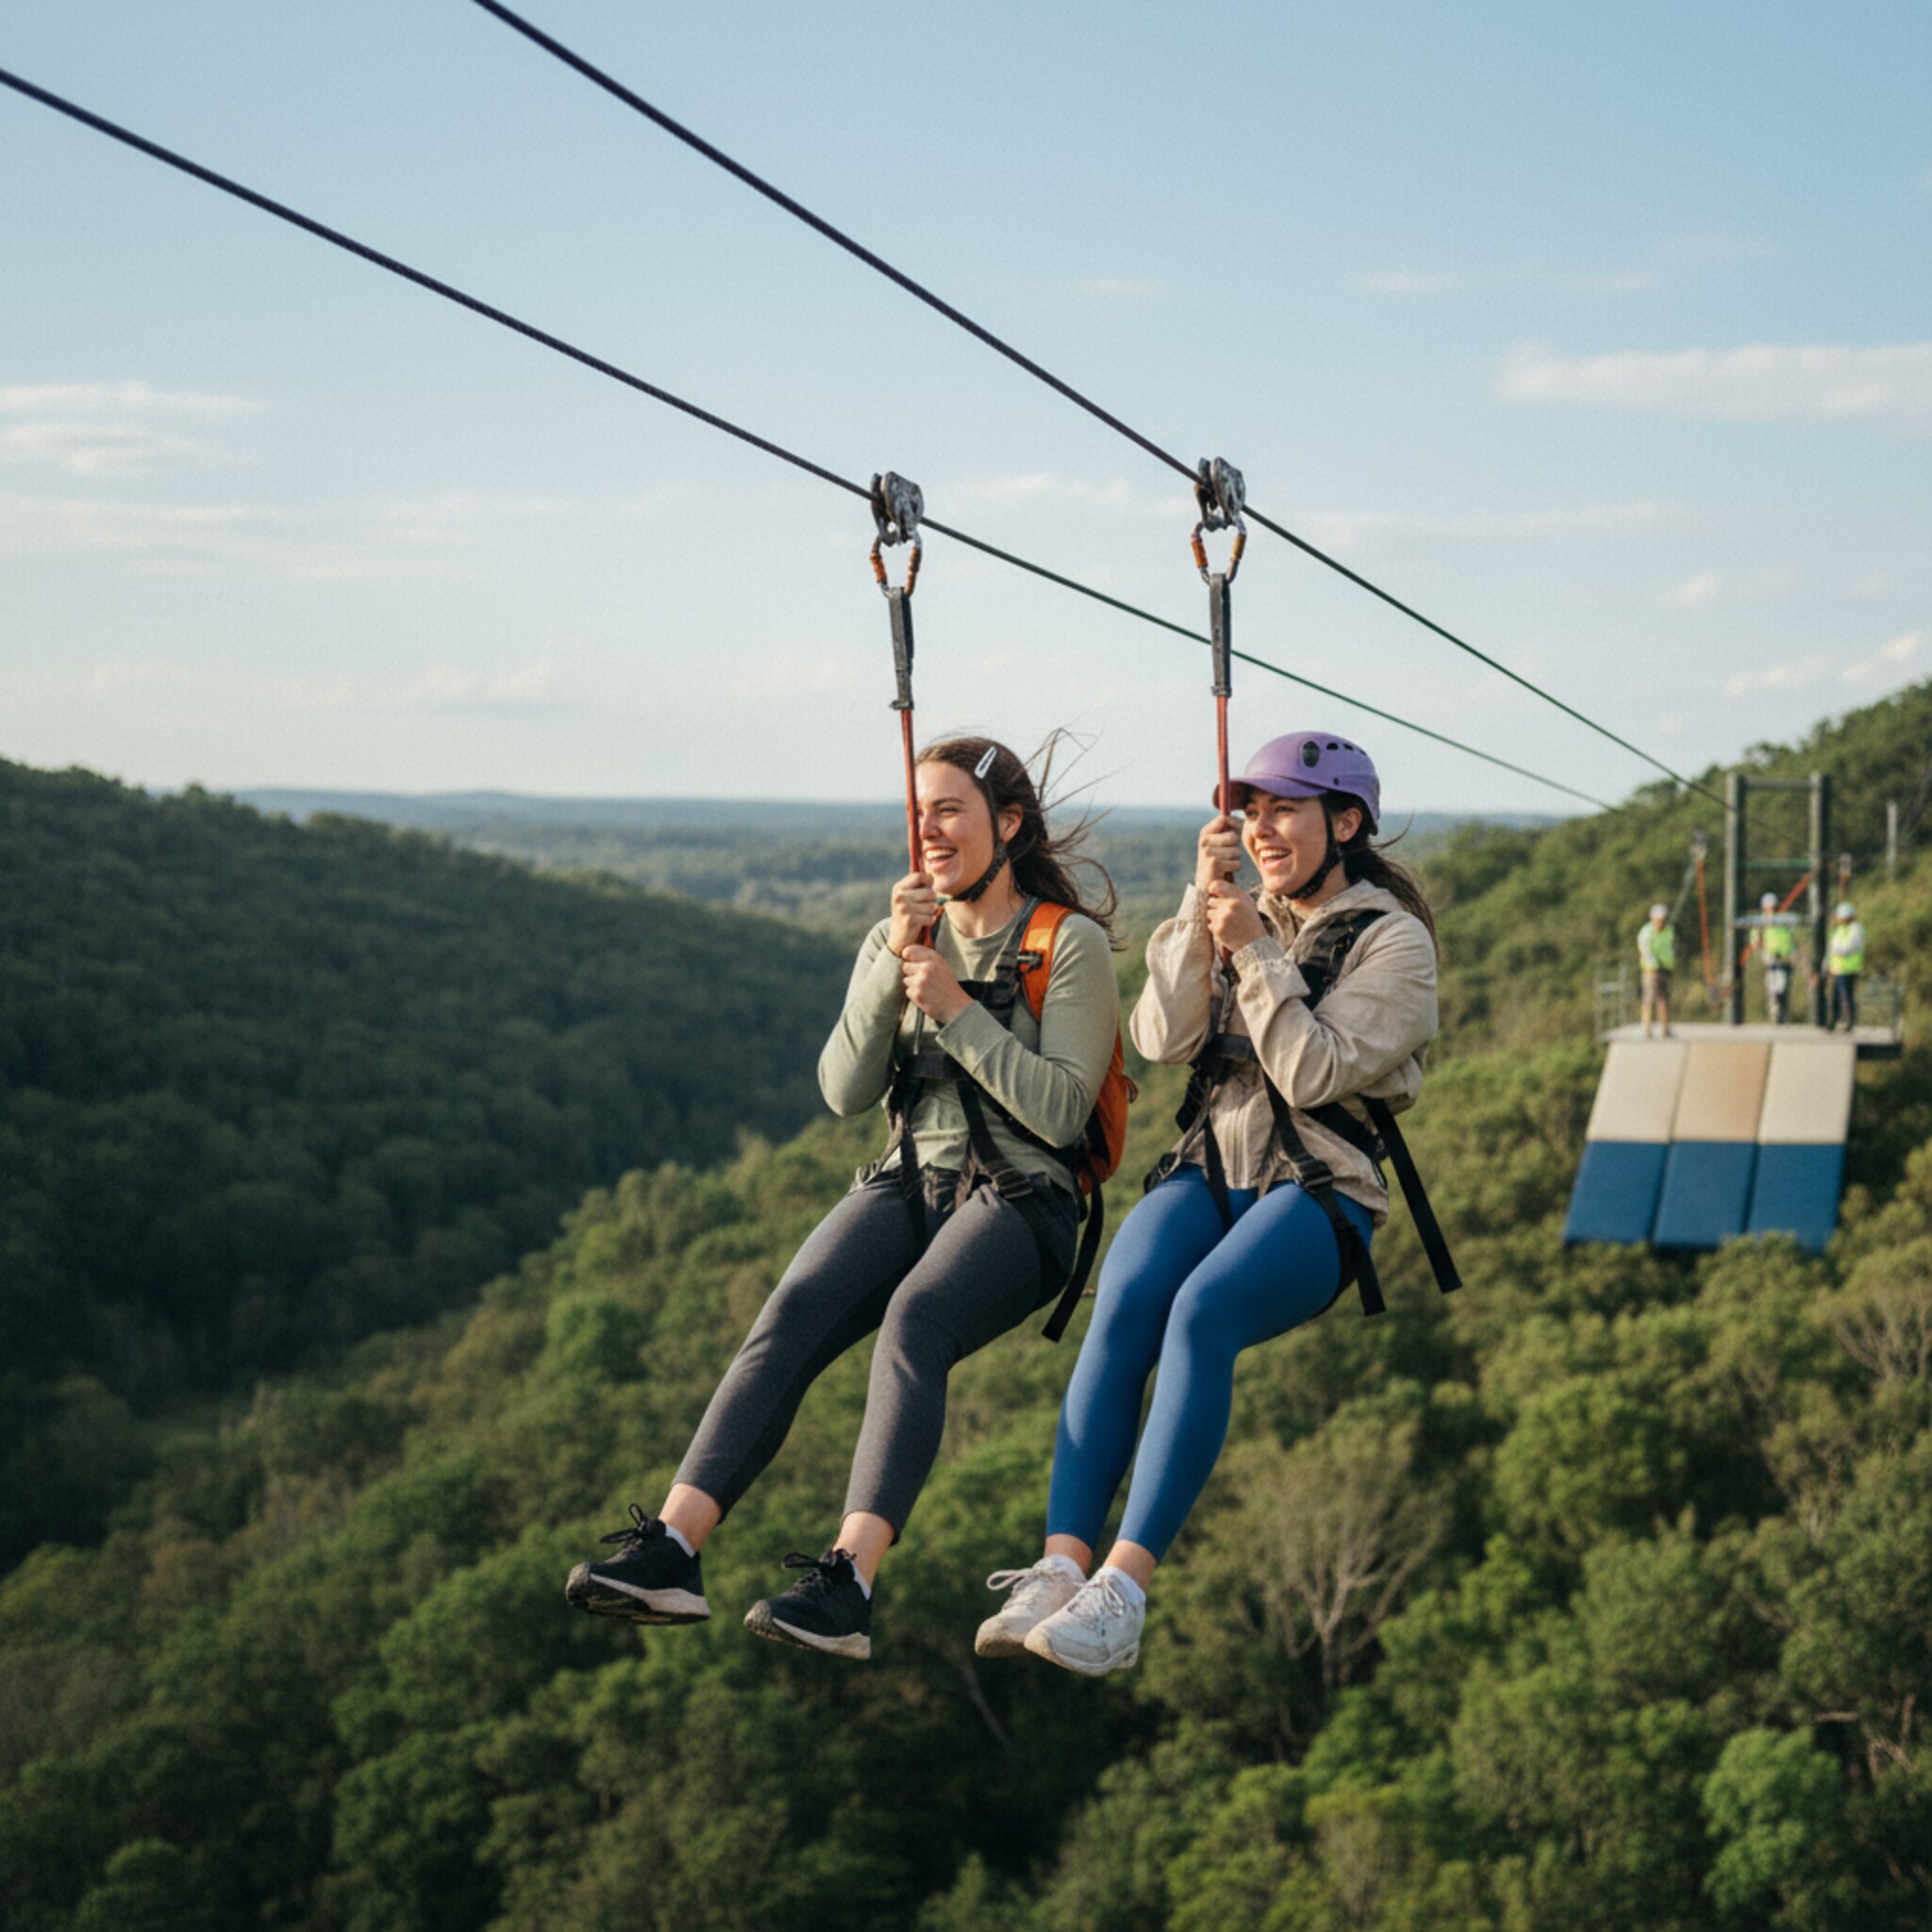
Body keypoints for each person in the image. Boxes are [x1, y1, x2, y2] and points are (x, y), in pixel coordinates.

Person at [563, 735, 1121, 1659]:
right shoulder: (899, 934)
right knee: (791, 1309)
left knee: (915, 1319)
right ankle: (672, 1546)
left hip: (1022, 1200)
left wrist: (953, 1007)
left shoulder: (1067, 943)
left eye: (949, 809)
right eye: (918, 810)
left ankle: (848, 1580)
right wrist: (886, 965)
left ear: (1008, 824)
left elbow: (1062, 1113)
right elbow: (844, 1088)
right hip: (911, 1174)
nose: (927, 828)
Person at [973, 731, 1438, 1676]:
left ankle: (1122, 1590)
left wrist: (1257, 952)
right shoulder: (1232, 910)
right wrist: (1198, 905)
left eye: (1285, 811)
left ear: (1344, 823)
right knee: (1128, 1294)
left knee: (1200, 1311)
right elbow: (1161, 1035)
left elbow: (1311, 1074)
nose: (1262, 829)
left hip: (1319, 1187)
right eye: (1250, 812)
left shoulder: (1393, 941)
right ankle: (1060, 1564)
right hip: (1210, 1166)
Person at [1751, 891, 1796, 1025]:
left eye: (1774, 907)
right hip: (1770, 957)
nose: (1772, 910)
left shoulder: (1785, 919)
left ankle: (1782, 1012)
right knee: (1773, 987)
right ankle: (1775, 1013)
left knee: (1782, 987)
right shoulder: (1760, 922)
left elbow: (1793, 933)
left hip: (1784, 957)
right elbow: (1755, 942)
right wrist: (1758, 942)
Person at [1637, 903, 1675, 1038]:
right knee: (1649, 999)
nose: (1660, 922)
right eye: (1658, 920)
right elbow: (1645, 951)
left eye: (1662, 919)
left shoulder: (1669, 930)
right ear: (1652, 918)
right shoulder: (1646, 933)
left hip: (1665, 969)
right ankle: (1646, 1029)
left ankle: (1665, 1028)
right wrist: (1653, 967)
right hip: (1651, 970)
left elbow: (1669, 948)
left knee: (1663, 999)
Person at [1827, 900, 1866, 1031]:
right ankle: (1835, 1019)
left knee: (1846, 995)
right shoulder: (1838, 930)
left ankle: (1850, 1021)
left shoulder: (1856, 929)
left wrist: (1839, 951)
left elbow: (1851, 946)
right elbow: (1832, 948)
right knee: (1835, 996)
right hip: (1837, 968)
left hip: (1849, 969)